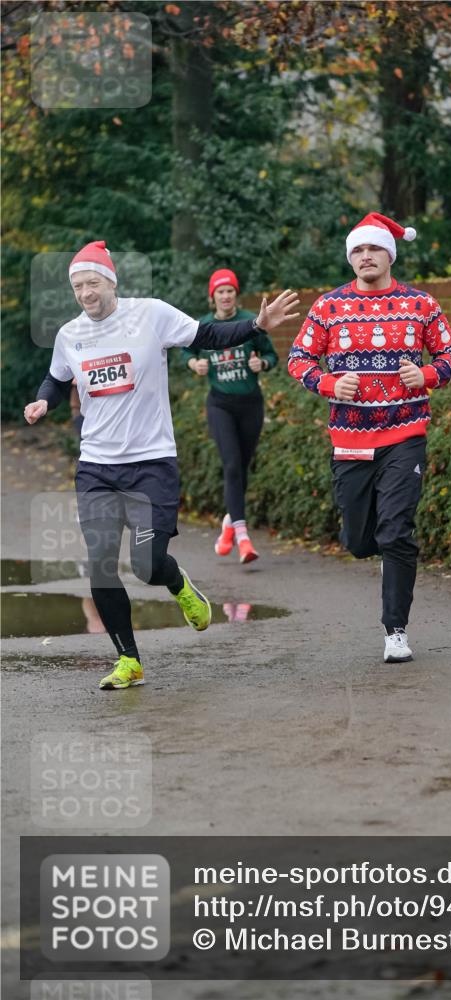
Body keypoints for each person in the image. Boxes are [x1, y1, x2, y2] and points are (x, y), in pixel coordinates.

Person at [24, 240, 298, 690]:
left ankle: (179, 585)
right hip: (96, 466)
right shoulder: (70, 334)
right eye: (77, 287)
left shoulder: (150, 314)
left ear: (111, 281)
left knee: (148, 566)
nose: (85, 293)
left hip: (151, 464)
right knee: (100, 564)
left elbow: (207, 336)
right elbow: (56, 377)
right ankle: (128, 659)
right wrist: (42, 401)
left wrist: (255, 326)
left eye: (92, 283)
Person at [288, 213, 451, 663]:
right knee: (360, 541)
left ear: (390, 255)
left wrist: (425, 374)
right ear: (351, 258)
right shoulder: (328, 307)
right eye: (358, 251)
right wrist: (328, 384)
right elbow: (298, 359)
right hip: (350, 439)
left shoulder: (420, 304)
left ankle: (396, 631)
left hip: (405, 433)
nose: (366, 257)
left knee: (396, 532)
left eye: (374, 249)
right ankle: (376, 548)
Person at [182, 268, 278, 564]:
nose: (225, 296)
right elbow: (185, 351)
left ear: (236, 295)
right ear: (213, 297)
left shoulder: (251, 322)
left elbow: (272, 356)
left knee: (242, 469)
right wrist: (194, 363)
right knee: (232, 464)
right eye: (220, 292)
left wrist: (261, 363)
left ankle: (229, 523)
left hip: (251, 404)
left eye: (230, 291)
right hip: (219, 404)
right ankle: (243, 537)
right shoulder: (203, 326)